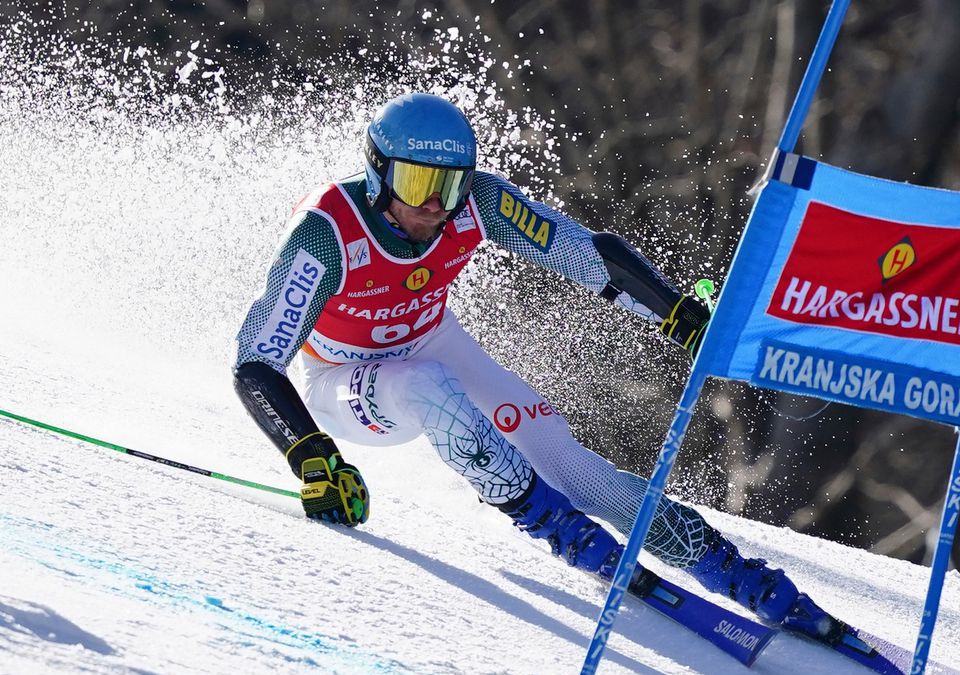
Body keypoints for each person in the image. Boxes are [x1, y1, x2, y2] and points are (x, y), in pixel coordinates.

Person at [231, 92, 841, 642]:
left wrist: (675, 313)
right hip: (345, 382)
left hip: (431, 339)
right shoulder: (326, 233)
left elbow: (584, 252)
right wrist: (312, 457)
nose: (434, 207)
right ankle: (553, 526)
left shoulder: (478, 205)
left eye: (449, 187)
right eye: (416, 185)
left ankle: (728, 568)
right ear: (377, 172)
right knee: (428, 386)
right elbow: (256, 362)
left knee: (571, 463)